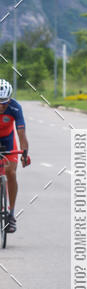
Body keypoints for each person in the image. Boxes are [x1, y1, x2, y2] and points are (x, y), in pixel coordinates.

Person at [0, 79, 31, 232]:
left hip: (8, 140)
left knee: (11, 173)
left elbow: (21, 133)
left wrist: (24, 153)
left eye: (4, 102)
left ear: (10, 99)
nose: (1, 106)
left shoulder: (15, 107)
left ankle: (11, 214)